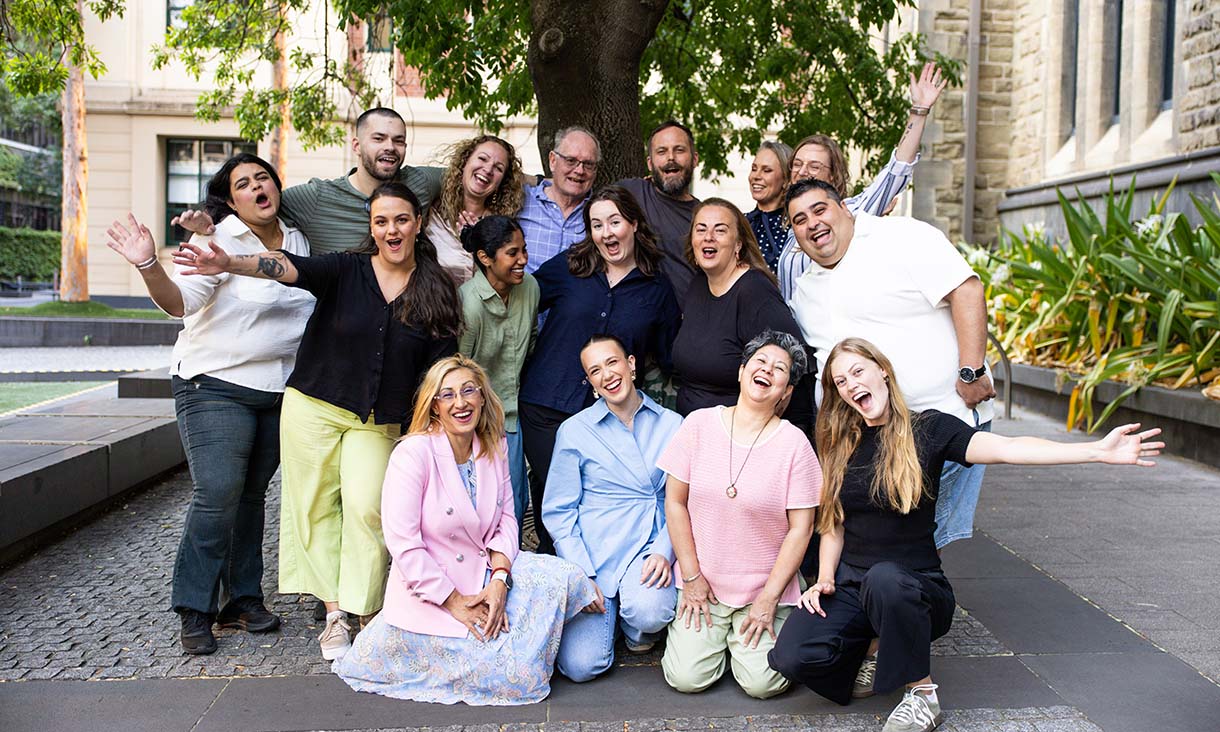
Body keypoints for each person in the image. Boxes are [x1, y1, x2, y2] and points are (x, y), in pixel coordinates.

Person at [768, 338, 1164, 732]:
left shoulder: (930, 428)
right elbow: (834, 524)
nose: (851, 384)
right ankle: (878, 650)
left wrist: (1095, 451)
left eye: (858, 371)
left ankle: (922, 696)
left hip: (916, 588)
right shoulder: (841, 444)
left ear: (883, 371)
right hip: (855, 587)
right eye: (840, 381)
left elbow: (1008, 448)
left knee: (885, 579)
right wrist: (824, 579)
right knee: (791, 657)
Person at [173, 181, 461, 660]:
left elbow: (439, 368)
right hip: (314, 406)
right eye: (381, 221)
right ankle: (335, 616)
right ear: (372, 228)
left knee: (369, 508)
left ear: (417, 224)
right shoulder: (346, 268)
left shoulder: (436, 288)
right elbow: (287, 266)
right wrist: (228, 263)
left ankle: (365, 606)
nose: (391, 230)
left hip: (379, 419)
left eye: (401, 219)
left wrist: (435, 429)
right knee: (314, 508)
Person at [104, 153, 316, 655]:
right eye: (244, 184)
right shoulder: (216, 238)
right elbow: (179, 303)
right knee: (218, 492)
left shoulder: (299, 239)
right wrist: (147, 264)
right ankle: (194, 608)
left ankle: (242, 600)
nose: (257, 187)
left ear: (277, 186)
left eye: (263, 178)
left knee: (251, 496)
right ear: (232, 200)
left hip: (278, 389)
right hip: (213, 384)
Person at [332, 355, 596, 705]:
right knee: (519, 678)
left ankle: (559, 644)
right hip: (433, 589)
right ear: (434, 406)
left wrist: (500, 579)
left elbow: (506, 519)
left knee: (567, 576)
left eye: (469, 390)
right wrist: (454, 602)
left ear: (482, 397)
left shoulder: (493, 445)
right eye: (448, 395)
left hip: (484, 571)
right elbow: (404, 544)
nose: (461, 402)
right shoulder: (413, 453)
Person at [785, 178, 996, 551]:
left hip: (937, 428)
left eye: (820, 209)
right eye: (800, 220)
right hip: (863, 444)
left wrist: (971, 371)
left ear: (845, 208)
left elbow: (966, 290)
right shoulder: (805, 290)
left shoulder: (900, 237)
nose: (812, 223)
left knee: (914, 548)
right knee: (884, 551)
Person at [659, 330, 822, 699]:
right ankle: (721, 643)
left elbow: (802, 529)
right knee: (686, 678)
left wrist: (769, 598)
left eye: (779, 369)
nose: (767, 370)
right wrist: (691, 577)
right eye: (760, 361)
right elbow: (675, 503)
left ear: (786, 391)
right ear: (741, 371)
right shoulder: (698, 424)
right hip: (704, 583)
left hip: (764, 588)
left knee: (763, 684)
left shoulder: (794, 444)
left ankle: (751, 640)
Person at [518, 186, 680, 554]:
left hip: (606, 418)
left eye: (614, 222)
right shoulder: (570, 267)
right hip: (546, 405)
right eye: (596, 225)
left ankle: (597, 577)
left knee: (596, 502)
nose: (607, 233)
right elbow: (521, 299)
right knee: (557, 498)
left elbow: (671, 354)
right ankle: (558, 572)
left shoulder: (656, 288)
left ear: (634, 224)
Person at [543, 335, 683, 681]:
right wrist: (581, 573)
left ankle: (636, 626)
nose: (607, 375)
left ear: (631, 364)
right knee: (580, 666)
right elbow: (559, 511)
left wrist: (666, 549)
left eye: (612, 362)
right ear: (590, 382)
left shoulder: (672, 424)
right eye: (595, 371)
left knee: (649, 612)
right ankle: (615, 615)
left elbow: (685, 499)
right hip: (597, 552)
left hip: (650, 545)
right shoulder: (574, 431)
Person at [775, 63, 949, 300]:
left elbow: (895, 172)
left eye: (814, 166)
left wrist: (919, 111)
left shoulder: (851, 212)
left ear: (833, 176)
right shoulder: (793, 222)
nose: (803, 171)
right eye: (797, 164)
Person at [173, 107, 444, 255]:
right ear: (356, 145)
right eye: (378, 139)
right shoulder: (316, 198)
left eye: (398, 141)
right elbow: (254, 204)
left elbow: (464, 173)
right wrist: (210, 221)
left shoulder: (419, 182)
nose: (390, 147)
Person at [671, 199, 813, 431]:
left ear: (738, 244)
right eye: (701, 230)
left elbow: (793, 364)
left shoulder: (754, 292)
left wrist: (763, 431)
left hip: (739, 436)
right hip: (692, 430)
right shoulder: (698, 284)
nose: (708, 237)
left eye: (720, 230)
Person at [458, 216, 540, 541]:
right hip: (475, 419)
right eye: (512, 253)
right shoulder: (469, 304)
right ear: (485, 258)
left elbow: (531, 342)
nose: (523, 260)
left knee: (516, 504)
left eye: (524, 250)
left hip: (513, 415)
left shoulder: (530, 288)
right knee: (479, 505)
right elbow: (459, 370)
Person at [616, 120, 700, 304]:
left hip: (687, 317)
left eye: (679, 150)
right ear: (650, 163)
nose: (671, 158)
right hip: (636, 313)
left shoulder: (705, 217)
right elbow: (581, 192)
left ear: (695, 159)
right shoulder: (630, 192)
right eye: (661, 151)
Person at [427, 135, 525, 284]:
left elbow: (504, 282)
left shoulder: (503, 227)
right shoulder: (431, 213)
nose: (488, 169)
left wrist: (479, 242)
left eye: (498, 168)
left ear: (503, 182)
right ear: (464, 162)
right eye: (482, 159)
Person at [519, 126, 601, 272]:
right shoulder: (520, 200)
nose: (579, 170)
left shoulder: (601, 213)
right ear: (552, 161)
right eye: (571, 160)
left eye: (588, 164)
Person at [743, 141, 793, 272]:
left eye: (767, 170)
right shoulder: (739, 222)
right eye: (754, 169)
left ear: (786, 180)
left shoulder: (795, 227)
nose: (756, 176)